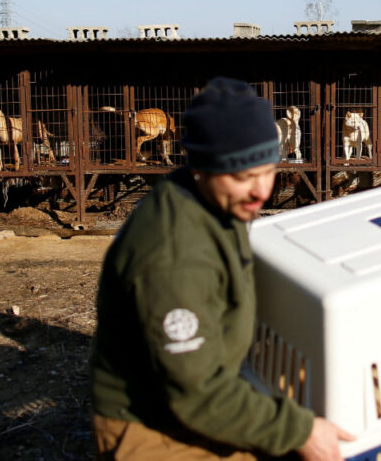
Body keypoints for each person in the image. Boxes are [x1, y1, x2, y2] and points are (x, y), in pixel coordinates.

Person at [90, 77, 354, 460]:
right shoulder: (174, 254)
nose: (261, 191)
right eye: (241, 177)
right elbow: (196, 394)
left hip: (191, 396)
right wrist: (299, 431)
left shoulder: (210, 199)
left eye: (267, 170)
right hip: (150, 427)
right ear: (203, 168)